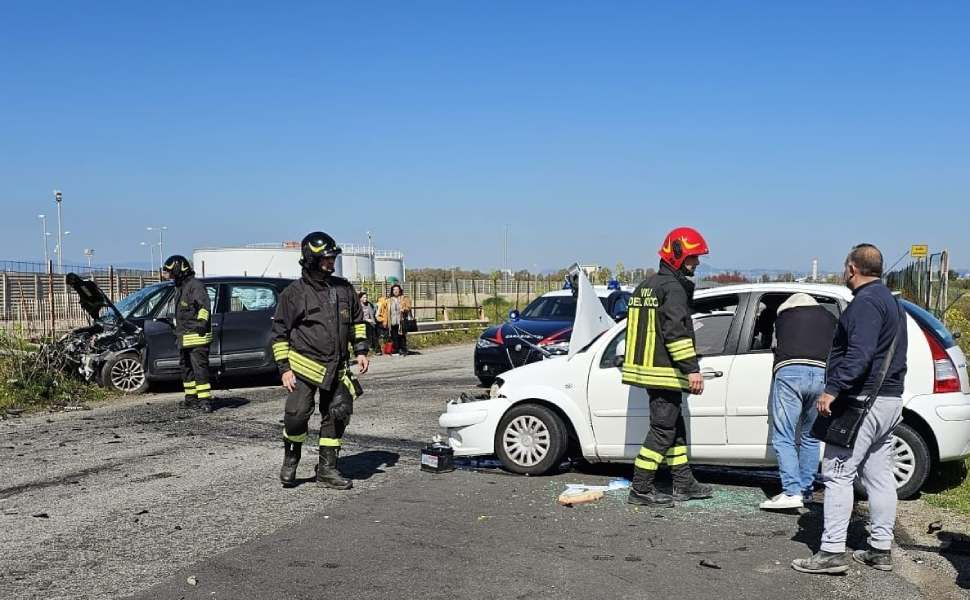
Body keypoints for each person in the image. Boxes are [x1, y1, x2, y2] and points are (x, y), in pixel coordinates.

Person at [792, 243, 908, 575]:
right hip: (888, 401)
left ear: (852, 268)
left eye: (845, 267)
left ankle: (830, 552)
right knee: (879, 477)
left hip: (862, 402)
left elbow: (860, 353)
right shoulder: (892, 303)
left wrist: (832, 389)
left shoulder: (866, 303)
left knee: (838, 473)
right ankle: (879, 550)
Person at [623, 227, 714, 507]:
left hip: (649, 371)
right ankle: (640, 487)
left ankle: (683, 482)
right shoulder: (673, 289)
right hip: (665, 372)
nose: (696, 264)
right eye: (692, 258)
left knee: (675, 427)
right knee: (663, 431)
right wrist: (692, 369)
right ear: (677, 255)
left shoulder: (646, 285)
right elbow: (676, 332)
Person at [271, 231, 370, 489]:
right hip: (303, 368)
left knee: (338, 413)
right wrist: (284, 369)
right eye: (326, 258)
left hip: (337, 368)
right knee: (296, 415)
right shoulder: (293, 294)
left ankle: (327, 469)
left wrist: (361, 350)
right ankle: (291, 459)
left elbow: (358, 323)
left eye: (333, 257)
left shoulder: (344, 288)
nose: (331, 262)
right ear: (311, 259)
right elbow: (279, 333)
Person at [759, 293, 838, 510]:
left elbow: (773, 346)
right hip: (822, 374)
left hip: (790, 373)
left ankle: (791, 491)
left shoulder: (783, 318)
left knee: (783, 435)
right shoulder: (829, 318)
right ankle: (805, 491)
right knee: (811, 437)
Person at [161, 255, 214, 412]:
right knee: (186, 369)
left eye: (170, 271)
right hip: (184, 338)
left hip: (197, 337)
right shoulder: (181, 287)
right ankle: (191, 399)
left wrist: (201, 324)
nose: (168, 275)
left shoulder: (195, 286)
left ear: (178, 269)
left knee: (199, 370)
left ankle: (205, 402)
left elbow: (204, 308)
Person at [378, 283, 412, 356]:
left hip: (401, 320)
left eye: (397, 289)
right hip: (392, 321)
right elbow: (383, 308)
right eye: (394, 289)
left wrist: (405, 309)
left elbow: (408, 307)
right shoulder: (388, 300)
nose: (395, 291)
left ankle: (403, 349)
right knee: (394, 336)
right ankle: (396, 349)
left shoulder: (404, 298)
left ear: (400, 290)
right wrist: (384, 320)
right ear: (392, 291)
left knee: (402, 336)